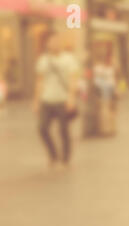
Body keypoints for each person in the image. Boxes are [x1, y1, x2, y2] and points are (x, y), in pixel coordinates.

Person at [32, 31, 78, 169]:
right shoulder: (43, 60)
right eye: (52, 41)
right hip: (47, 99)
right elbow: (39, 81)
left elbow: (73, 80)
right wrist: (36, 100)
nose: (55, 44)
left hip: (62, 100)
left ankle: (65, 158)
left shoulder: (68, 59)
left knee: (64, 130)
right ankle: (53, 155)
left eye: (57, 41)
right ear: (47, 43)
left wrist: (71, 98)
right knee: (42, 128)